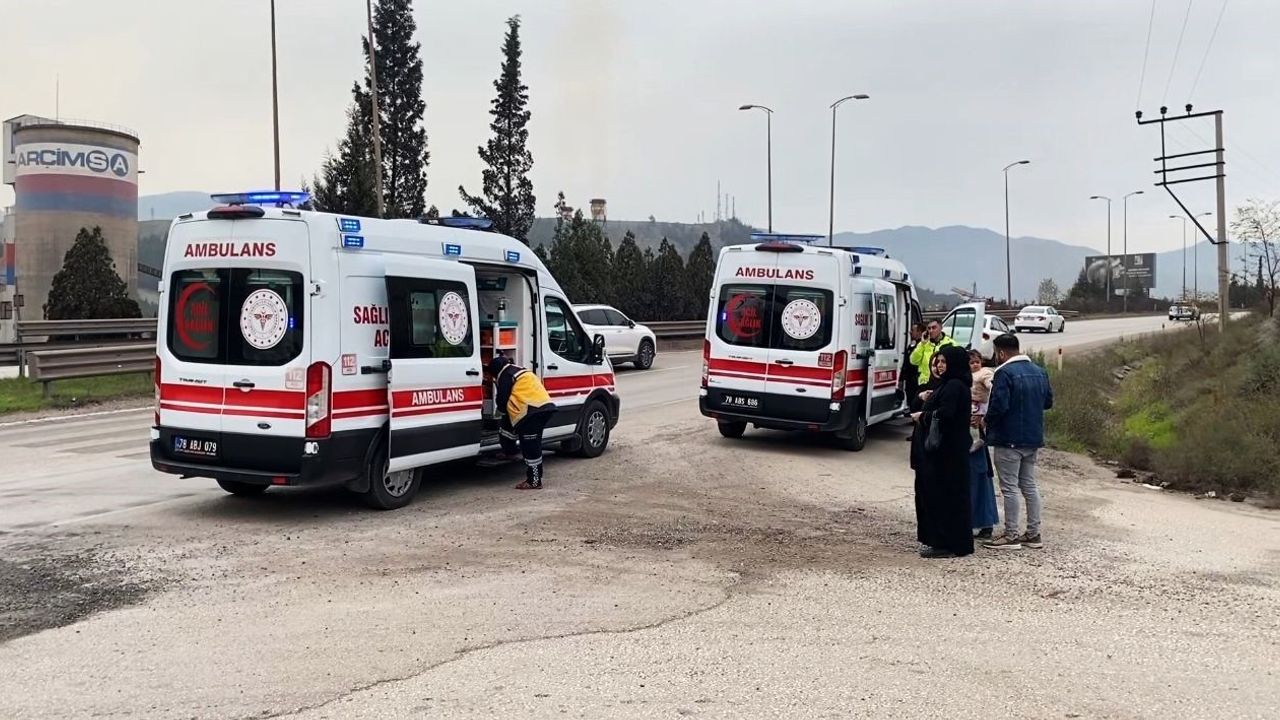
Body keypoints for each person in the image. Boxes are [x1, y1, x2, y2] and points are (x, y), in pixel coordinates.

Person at [983, 333, 1054, 549]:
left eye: (996, 353)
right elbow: (1048, 402)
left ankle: (1011, 535)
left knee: (1010, 488)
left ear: (1001, 352)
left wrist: (987, 421)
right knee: (1029, 486)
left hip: (1008, 438)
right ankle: (1033, 533)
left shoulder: (1004, 373)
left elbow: (999, 405)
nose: (996, 357)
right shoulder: (1040, 371)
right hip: (1032, 438)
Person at [909, 345, 975, 559]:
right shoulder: (948, 384)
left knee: (945, 496)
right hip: (943, 454)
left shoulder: (955, 386)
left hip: (947, 454)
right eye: (938, 362)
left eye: (944, 362)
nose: (939, 365)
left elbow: (947, 416)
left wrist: (924, 417)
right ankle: (940, 540)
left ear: (954, 364)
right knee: (937, 494)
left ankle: (946, 543)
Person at [490, 355, 558, 490]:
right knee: (506, 427)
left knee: (531, 447)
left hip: (531, 413)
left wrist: (497, 412)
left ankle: (534, 481)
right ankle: (509, 451)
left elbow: (502, 400)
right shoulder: (520, 371)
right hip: (544, 408)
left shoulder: (504, 375)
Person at [967, 350, 998, 538]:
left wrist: (983, 418)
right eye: (971, 363)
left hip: (976, 431)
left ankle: (983, 521)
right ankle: (982, 521)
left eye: (977, 362)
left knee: (978, 477)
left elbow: (992, 386)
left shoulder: (985, 375)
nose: (975, 365)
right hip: (974, 431)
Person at [909, 319, 957, 388]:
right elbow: (913, 361)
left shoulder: (951, 343)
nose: (931, 331)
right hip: (925, 384)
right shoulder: (924, 344)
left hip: (943, 383)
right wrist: (922, 344)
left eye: (934, 328)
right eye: (929, 328)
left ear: (941, 328)